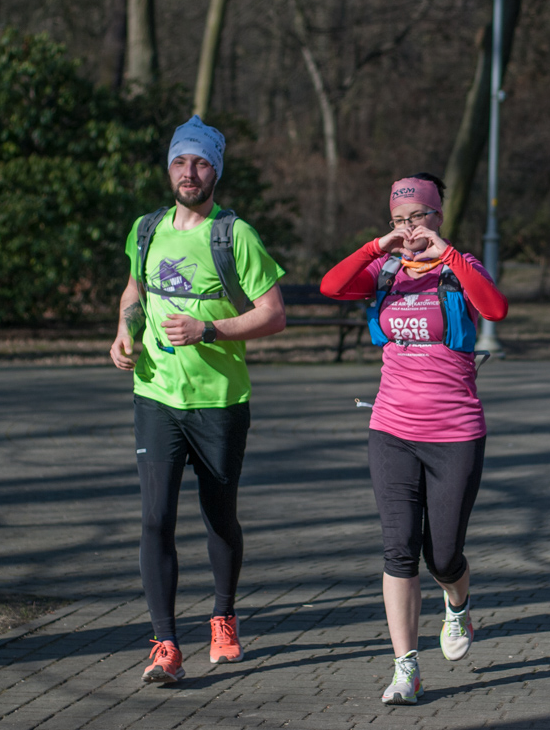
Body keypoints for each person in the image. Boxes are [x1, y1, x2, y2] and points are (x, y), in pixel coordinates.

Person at [109, 116, 288, 684]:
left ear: (216, 170)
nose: (190, 173)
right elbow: (136, 288)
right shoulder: (145, 229)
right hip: (155, 396)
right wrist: (122, 332)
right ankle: (164, 642)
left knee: (219, 516)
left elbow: (274, 314)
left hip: (219, 401)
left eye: (201, 163)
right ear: (169, 169)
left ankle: (223, 616)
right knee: (155, 519)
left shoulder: (234, 235)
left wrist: (209, 331)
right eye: (180, 163)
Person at [319, 173, 508, 705]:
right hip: (391, 429)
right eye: (398, 220)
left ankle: (457, 605)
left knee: (442, 557)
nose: (408, 228)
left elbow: (494, 310)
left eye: (416, 217)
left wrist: (447, 254)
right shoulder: (385, 270)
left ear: (437, 216)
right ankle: (406, 668)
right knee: (397, 550)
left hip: (455, 432)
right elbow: (331, 286)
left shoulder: (462, 267)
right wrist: (378, 246)